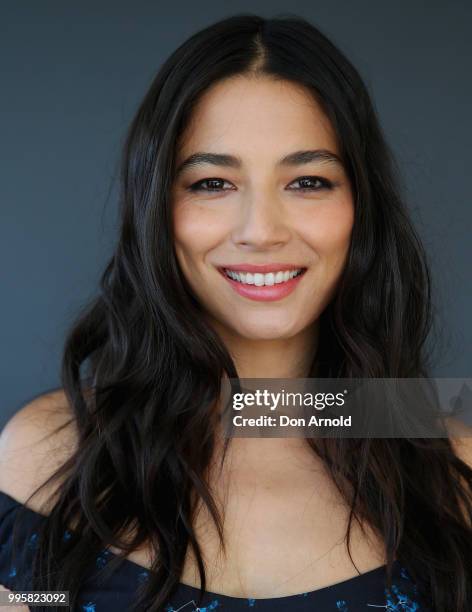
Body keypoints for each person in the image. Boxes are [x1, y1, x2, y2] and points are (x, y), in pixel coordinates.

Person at [1, 13, 471, 612]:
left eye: (307, 181)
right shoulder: (45, 454)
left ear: (362, 207)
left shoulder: (454, 471)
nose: (261, 231)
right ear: (156, 209)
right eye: (212, 183)